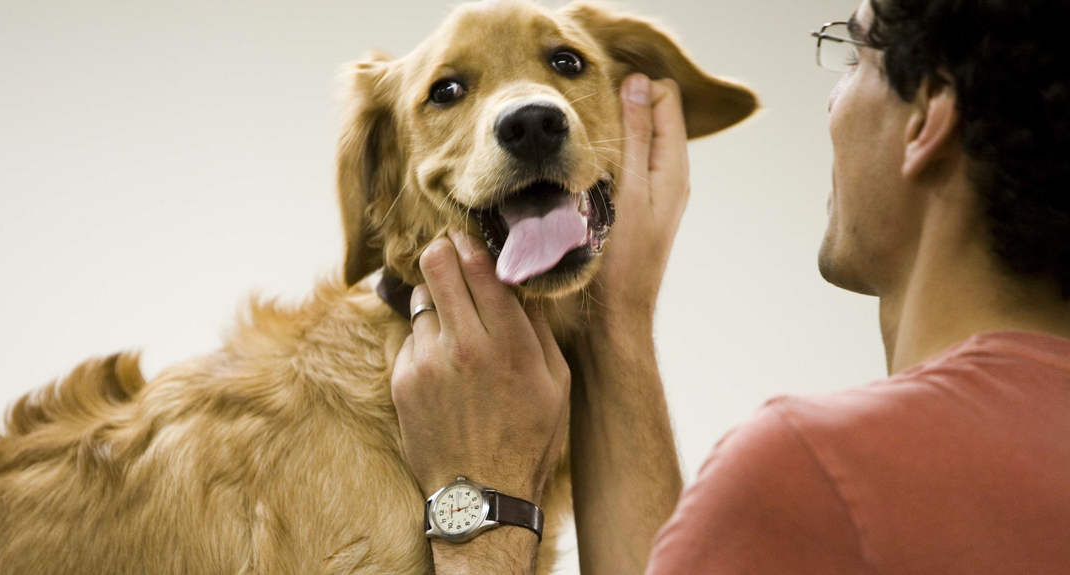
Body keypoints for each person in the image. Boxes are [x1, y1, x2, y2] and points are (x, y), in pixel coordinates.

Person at [389, 0, 1070, 572]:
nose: (830, 101)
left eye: (852, 54)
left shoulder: (813, 473)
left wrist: (484, 496)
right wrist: (617, 314)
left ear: (927, 115)